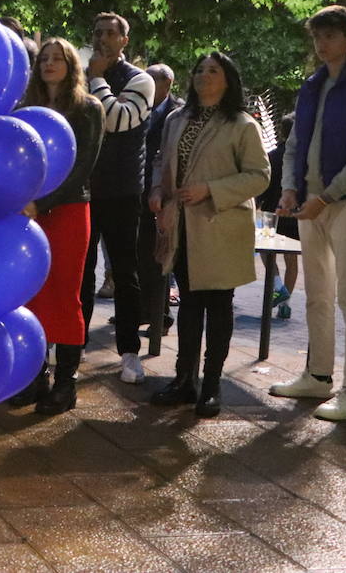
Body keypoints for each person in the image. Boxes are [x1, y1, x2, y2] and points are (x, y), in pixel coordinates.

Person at [268, 5, 346, 422]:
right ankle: (317, 375)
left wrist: (329, 195)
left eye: (331, 36)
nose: (322, 44)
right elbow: (296, 143)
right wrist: (289, 188)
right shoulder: (311, 85)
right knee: (317, 293)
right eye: (318, 36)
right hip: (311, 202)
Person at [148, 52, 270, 418]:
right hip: (182, 226)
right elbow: (160, 161)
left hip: (220, 226)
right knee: (187, 304)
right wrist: (157, 190)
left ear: (228, 79)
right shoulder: (175, 119)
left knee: (218, 307)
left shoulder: (241, 124)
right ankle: (185, 379)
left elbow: (259, 175)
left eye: (213, 70)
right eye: (199, 69)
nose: (204, 75)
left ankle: (212, 386)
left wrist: (210, 189)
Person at [11, 38, 104, 415]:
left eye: (57, 59)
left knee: (64, 294)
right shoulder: (26, 108)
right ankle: (37, 377)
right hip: (28, 212)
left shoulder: (88, 109)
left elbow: (83, 167)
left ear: (71, 65)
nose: (49, 64)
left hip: (66, 211)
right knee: (30, 295)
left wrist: (42, 203)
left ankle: (67, 384)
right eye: (44, 59)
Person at [82, 12, 155, 385]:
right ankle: (74, 343)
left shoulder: (140, 80)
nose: (104, 39)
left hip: (123, 191)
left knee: (125, 273)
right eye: (98, 32)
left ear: (125, 41)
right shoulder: (79, 77)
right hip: (84, 190)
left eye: (112, 33)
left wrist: (95, 78)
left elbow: (116, 119)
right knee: (80, 271)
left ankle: (129, 351)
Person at [132, 63, 181, 333]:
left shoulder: (177, 113)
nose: (147, 85)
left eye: (152, 80)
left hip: (162, 194)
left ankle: (160, 316)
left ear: (167, 84)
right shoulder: (140, 108)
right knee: (139, 256)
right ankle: (141, 311)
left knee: (158, 259)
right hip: (138, 191)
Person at [258, 112, 300, 318]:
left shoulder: (273, 155)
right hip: (294, 213)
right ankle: (286, 301)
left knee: (266, 253)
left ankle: (277, 286)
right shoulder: (303, 158)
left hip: (269, 213)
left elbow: (263, 185)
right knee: (292, 260)